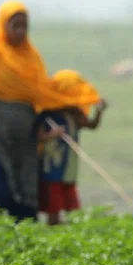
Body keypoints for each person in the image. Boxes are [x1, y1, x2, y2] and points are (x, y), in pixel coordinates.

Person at [0, 1, 101, 220]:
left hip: (25, 139)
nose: (20, 31)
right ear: (2, 24)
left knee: (26, 198)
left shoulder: (31, 57)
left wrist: (76, 98)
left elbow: (43, 93)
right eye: (14, 25)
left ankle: (21, 245)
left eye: (24, 26)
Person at [37, 72, 108, 226]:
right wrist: (52, 135)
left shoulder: (75, 113)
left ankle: (72, 235)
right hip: (51, 167)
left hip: (69, 167)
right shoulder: (47, 113)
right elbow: (37, 136)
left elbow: (91, 125)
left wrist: (99, 112)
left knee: (72, 208)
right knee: (53, 207)